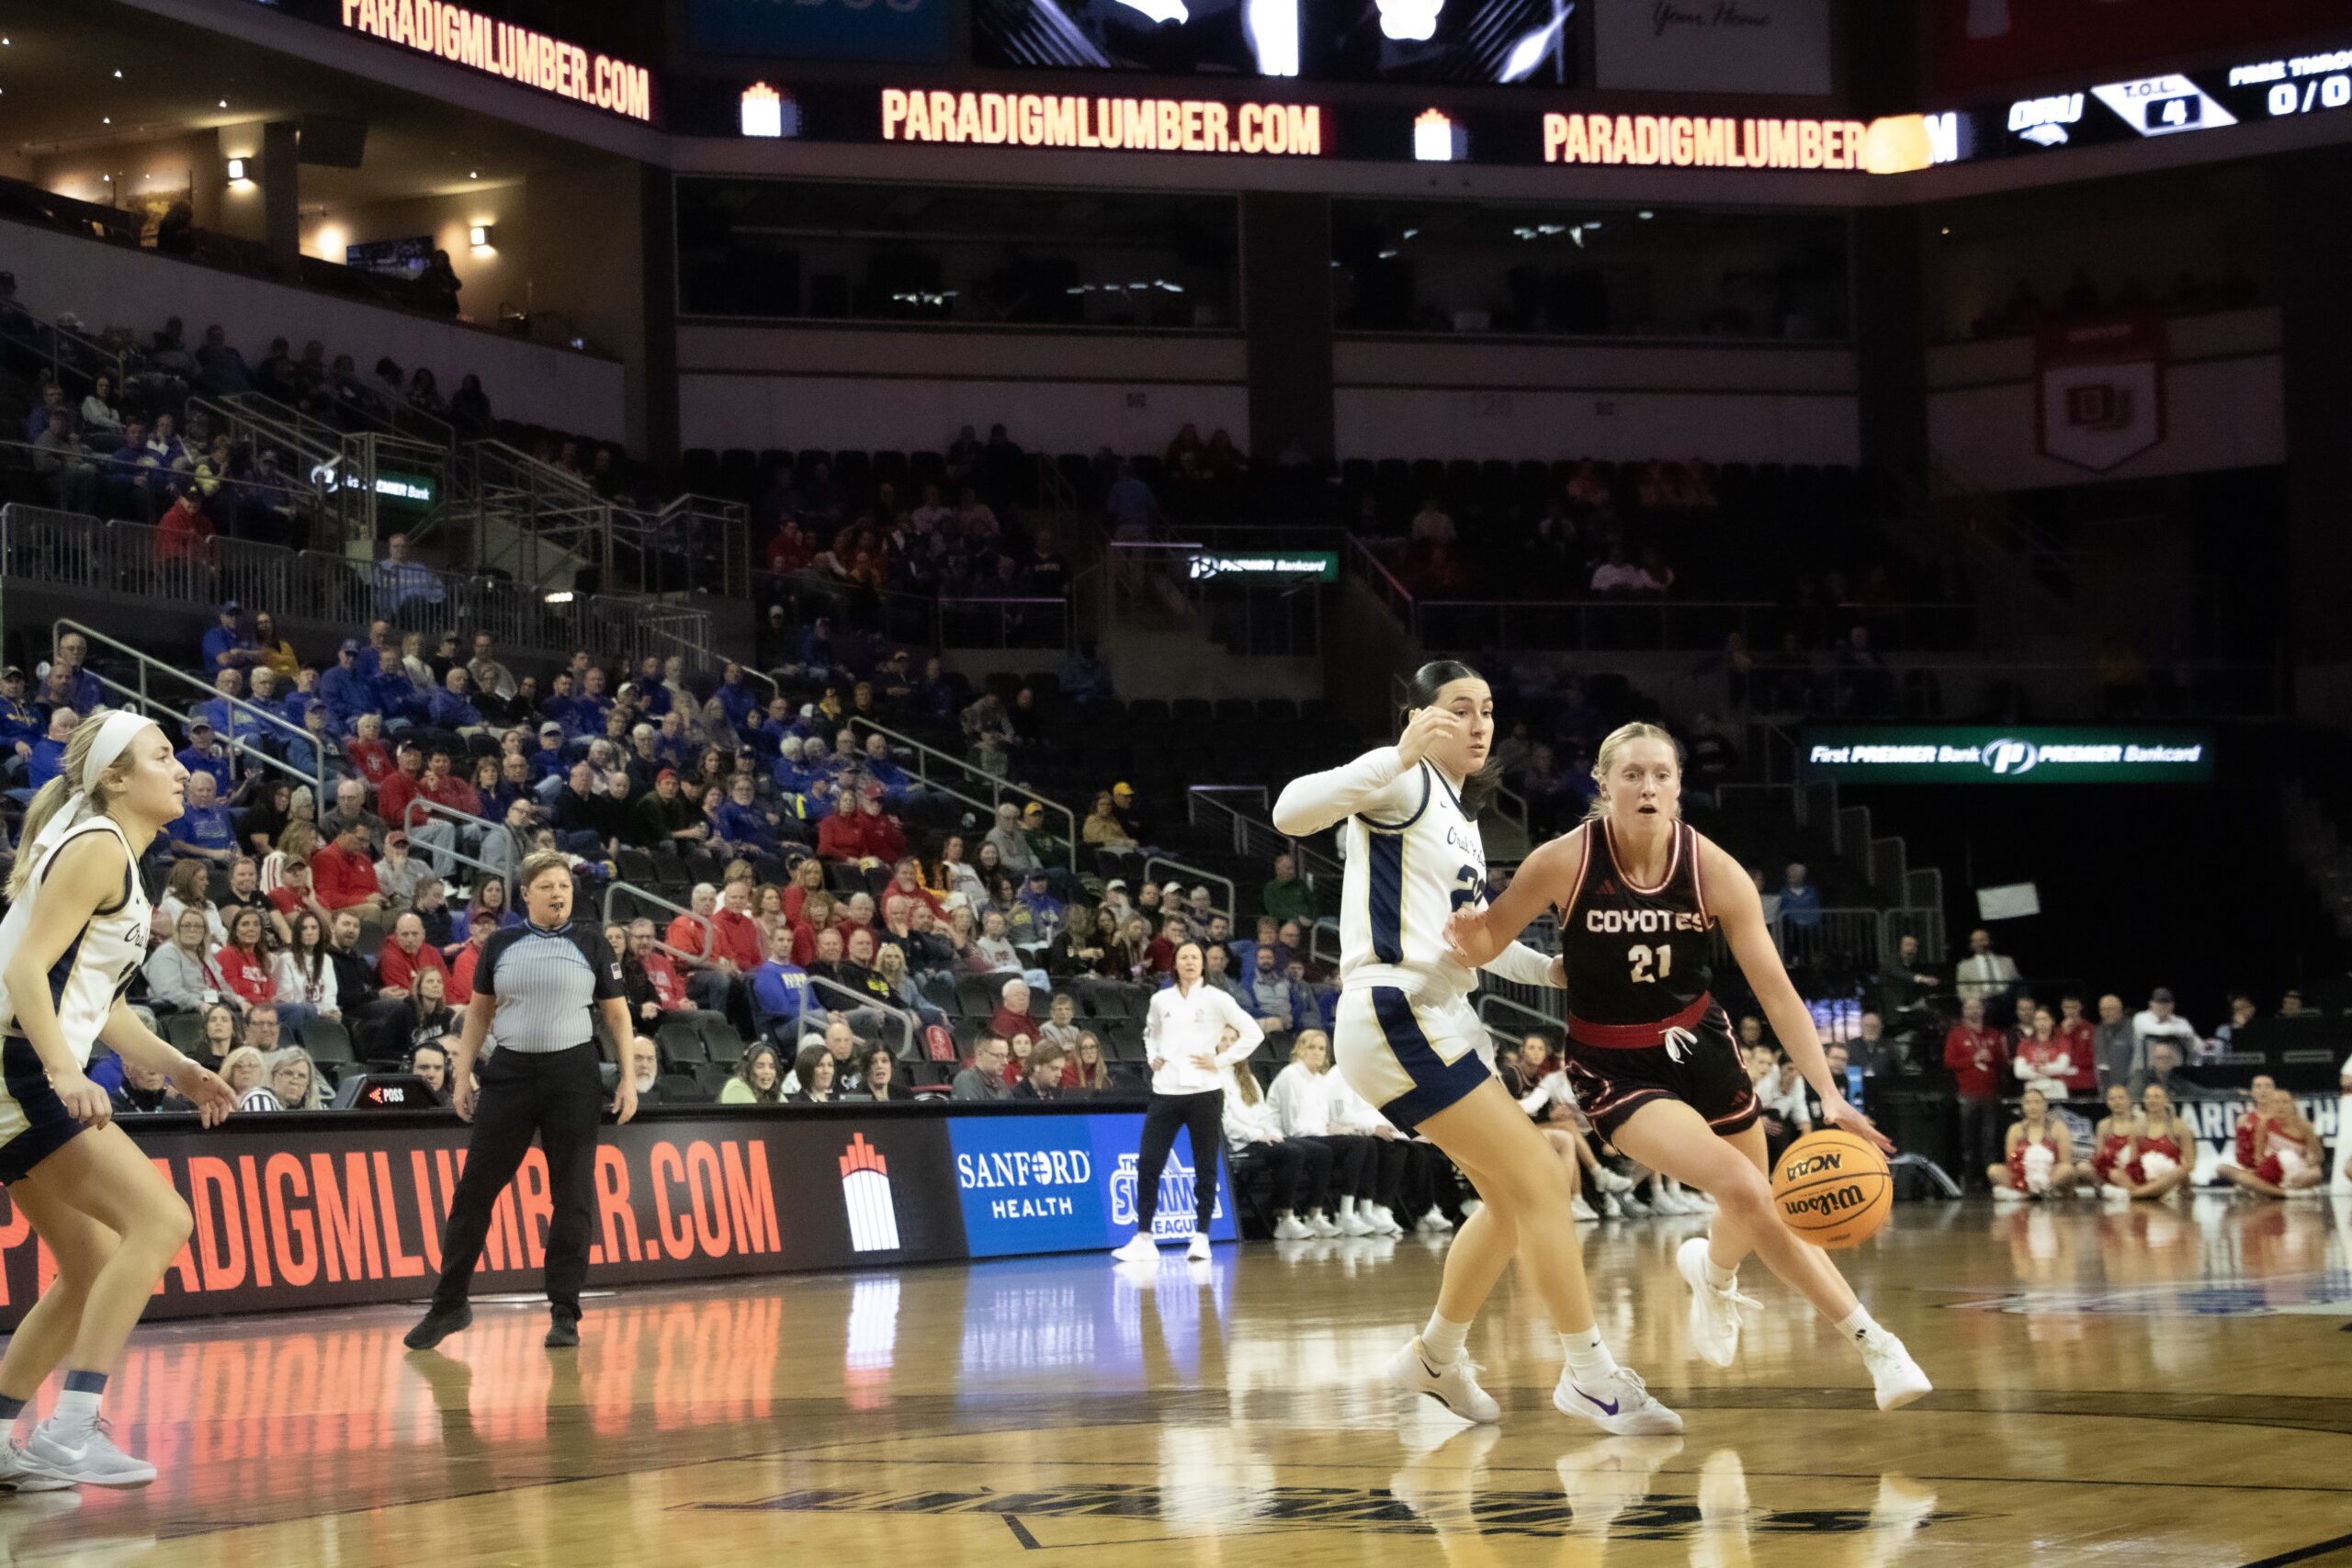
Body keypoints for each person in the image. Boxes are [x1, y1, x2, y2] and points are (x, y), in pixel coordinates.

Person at [1445, 718, 1929, 1414]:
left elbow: (1776, 991)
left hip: (1700, 1042)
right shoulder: (1564, 860)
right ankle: (1875, 1341)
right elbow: (1491, 936)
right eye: (1633, 774)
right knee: (1746, 1187)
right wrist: (1470, 937)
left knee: (1747, 1197)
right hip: (1614, 1061)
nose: (1647, 786)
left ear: (1678, 787)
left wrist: (1830, 1093)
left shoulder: (1713, 869)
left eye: (1661, 775)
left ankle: (1714, 1272)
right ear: (1604, 784)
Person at [1273, 661, 1678, 1434]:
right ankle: (1589, 1374)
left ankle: (1434, 1358)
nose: (1479, 723)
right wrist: (1396, 752)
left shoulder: (1457, 814)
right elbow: (1292, 812)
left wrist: (1558, 970)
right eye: (1459, 708)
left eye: (1487, 709)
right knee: (1540, 1172)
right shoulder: (1405, 781)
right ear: (1421, 715)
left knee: (1508, 1201)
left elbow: (1479, 944)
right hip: (1395, 1008)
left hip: (1443, 1013)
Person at [0, 711, 235, 1486]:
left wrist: (180, 1067)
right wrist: (66, 1070)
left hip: (23, 1058)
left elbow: (99, 999)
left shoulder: (119, 856)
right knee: (163, 1220)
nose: (181, 769)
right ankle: (72, 1428)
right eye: (161, 756)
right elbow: (26, 969)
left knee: (92, 1256)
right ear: (114, 777)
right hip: (20, 1061)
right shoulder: (100, 845)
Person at [403, 852, 637, 1353]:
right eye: (548, 886)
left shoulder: (591, 941)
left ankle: (564, 1312)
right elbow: (478, 1015)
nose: (559, 893)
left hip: (573, 1075)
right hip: (509, 1074)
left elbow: (616, 1016)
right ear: (525, 894)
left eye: (565, 887)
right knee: (474, 1192)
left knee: (571, 1196)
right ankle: (449, 1305)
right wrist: (461, 1076)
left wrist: (629, 1080)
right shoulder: (502, 943)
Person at [1111, 942, 1261, 1264]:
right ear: (1175, 964)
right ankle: (1144, 1237)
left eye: (1195, 957)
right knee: (1148, 1164)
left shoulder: (1218, 999)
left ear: (1203, 964)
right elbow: (1150, 1034)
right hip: (1165, 1092)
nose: (1190, 962)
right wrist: (1154, 1058)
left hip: (1204, 1093)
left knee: (1205, 1165)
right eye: (1184, 957)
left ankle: (1202, 1236)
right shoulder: (1160, 999)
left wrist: (1221, 1060)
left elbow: (1253, 1033)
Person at [1221, 1055, 1333, 1238]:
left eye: (1233, 1040)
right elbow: (1226, 1124)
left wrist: (1273, 1133)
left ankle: (1314, 1214)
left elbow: (1264, 1115)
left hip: (1263, 1137)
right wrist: (1257, 1135)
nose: (1229, 1044)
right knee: (1293, 1153)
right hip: (1240, 1143)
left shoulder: (1249, 1077)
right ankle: (1285, 1218)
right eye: (1224, 1040)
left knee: (1322, 1152)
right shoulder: (1215, 1077)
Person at [1943, 998, 2008, 1188]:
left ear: (1983, 1010)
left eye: (1977, 1007)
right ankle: (1970, 1182)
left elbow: (2003, 1063)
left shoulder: (1993, 1034)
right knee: (1968, 1141)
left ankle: (1991, 1180)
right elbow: (1949, 1062)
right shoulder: (1956, 1034)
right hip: (1968, 1094)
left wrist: (1992, 1057)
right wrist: (1973, 1059)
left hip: (1990, 1093)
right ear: (1964, 1011)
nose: (1973, 1011)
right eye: (1969, 1008)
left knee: (1989, 1140)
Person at [1989, 1087, 2078, 1200]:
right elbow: (2011, 1161)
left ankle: (2037, 1191)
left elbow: (2065, 1160)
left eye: (2037, 1102)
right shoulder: (2015, 1129)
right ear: (2023, 1106)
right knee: (1994, 1170)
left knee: (2067, 1169)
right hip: (2023, 1177)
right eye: (2028, 1103)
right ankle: (2030, 1193)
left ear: (2045, 1105)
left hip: (2050, 1174)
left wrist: (2043, 1173)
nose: (2032, 1107)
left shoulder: (2058, 1127)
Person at [721, 1043, 786, 1106]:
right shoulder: (736, 1087)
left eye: (772, 1067)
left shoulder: (773, 1090)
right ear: (748, 1068)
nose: (767, 1071)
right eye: (760, 1066)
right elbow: (754, 1117)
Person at [952, 1035, 1012, 1101]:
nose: (1006, 1062)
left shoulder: (1000, 1083)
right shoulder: (966, 1079)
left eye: (1006, 1056)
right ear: (980, 1053)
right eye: (999, 1056)